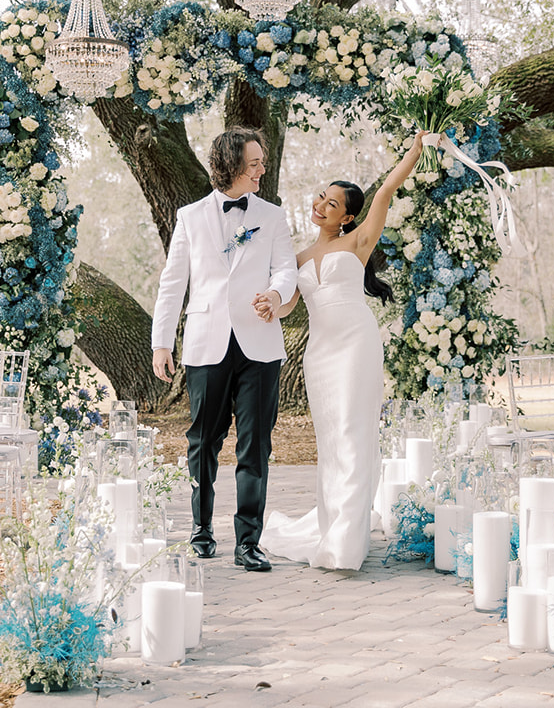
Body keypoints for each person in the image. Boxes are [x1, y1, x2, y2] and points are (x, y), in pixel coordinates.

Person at [256, 131, 427, 570]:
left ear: (348, 217)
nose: (321, 205)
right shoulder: (298, 256)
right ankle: (331, 525)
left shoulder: (358, 242)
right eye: (320, 198)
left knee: (353, 433)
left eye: (332, 203)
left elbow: (387, 189)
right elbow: (290, 302)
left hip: (355, 343)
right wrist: (270, 305)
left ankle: (346, 545)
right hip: (320, 352)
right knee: (331, 440)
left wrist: (416, 149)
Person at [151, 128, 298, 572]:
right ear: (232, 165)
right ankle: (201, 530)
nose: (262, 169)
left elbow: (286, 268)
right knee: (202, 443)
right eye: (255, 163)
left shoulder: (272, 216)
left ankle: (248, 542)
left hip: (260, 346)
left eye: (262, 162)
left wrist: (274, 296)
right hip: (205, 342)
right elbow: (173, 281)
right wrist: (162, 341)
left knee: (255, 446)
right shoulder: (190, 217)